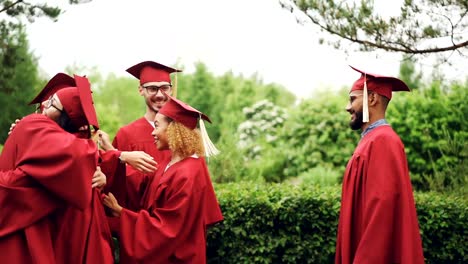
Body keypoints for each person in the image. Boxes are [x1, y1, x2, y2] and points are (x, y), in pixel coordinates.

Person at [0, 75, 115, 263]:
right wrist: (115, 155)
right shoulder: (33, 128)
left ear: (66, 115)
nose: (44, 106)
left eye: (52, 103)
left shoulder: (64, 149)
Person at [103, 94, 223, 263]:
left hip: (177, 258)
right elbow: (138, 183)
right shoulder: (170, 162)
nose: (152, 131)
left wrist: (122, 213)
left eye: (157, 126)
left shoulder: (187, 174)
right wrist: (114, 155)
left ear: (173, 130)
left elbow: (167, 228)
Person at [335, 66, 425, 264]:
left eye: (352, 99)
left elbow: (381, 214)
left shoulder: (383, 141)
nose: (347, 107)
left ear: (372, 99)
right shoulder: (371, 140)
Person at [100, 60, 182, 211]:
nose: (159, 95)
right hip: (139, 223)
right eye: (152, 88)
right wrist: (112, 152)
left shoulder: (183, 131)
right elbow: (117, 185)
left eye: (164, 88)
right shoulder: (127, 134)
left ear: (171, 89)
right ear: (140, 90)